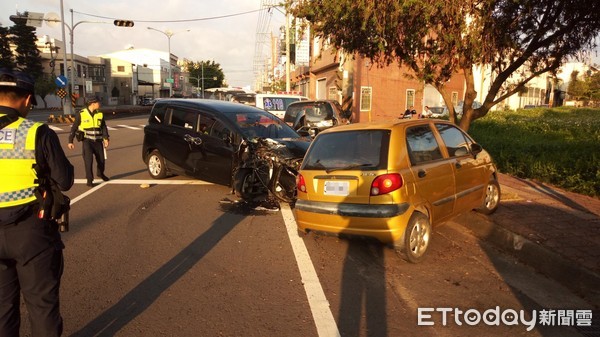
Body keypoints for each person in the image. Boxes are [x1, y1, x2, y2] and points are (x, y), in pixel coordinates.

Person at [0, 68, 74, 337]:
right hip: (31, 231)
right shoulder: (37, 132)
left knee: (2, 307)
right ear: (28, 100)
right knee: (42, 306)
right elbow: (64, 180)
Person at [67, 97, 110, 187]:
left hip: (98, 141)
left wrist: (106, 138)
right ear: (92, 104)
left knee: (101, 161)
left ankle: (100, 173)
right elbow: (74, 127)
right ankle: (89, 180)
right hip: (87, 141)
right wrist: (70, 141)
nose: (99, 104)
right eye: (98, 102)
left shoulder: (100, 114)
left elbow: (103, 127)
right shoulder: (81, 114)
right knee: (88, 161)